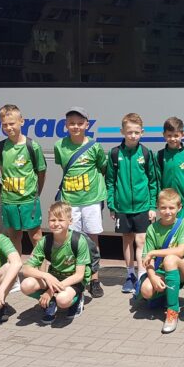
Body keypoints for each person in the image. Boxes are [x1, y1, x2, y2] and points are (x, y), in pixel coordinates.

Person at [53, 106, 107, 298]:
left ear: (87, 125)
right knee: (72, 242)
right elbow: (63, 166)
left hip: (91, 200)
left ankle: (94, 280)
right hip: (70, 202)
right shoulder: (59, 146)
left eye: (79, 123)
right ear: (66, 125)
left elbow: (102, 167)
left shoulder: (94, 147)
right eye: (71, 123)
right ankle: (76, 280)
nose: (75, 126)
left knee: (92, 241)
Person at [106, 113, 159, 295]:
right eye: (129, 132)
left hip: (143, 206)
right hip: (122, 207)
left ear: (142, 132)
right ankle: (130, 275)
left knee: (141, 240)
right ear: (122, 132)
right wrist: (112, 205)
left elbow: (153, 181)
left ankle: (142, 275)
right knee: (127, 239)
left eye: (136, 132)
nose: (133, 136)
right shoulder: (115, 154)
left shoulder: (146, 153)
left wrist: (152, 206)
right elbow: (110, 181)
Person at [20, 201, 92, 324]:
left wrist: (50, 291)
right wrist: (46, 275)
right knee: (26, 285)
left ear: (70, 221)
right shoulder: (44, 241)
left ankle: (77, 298)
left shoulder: (78, 241)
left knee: (62, 300)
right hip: (54, 277)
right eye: (52, 220)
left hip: (73, 280)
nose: (56, 223)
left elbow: (79, 275)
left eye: (61, 220)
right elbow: (26, 269)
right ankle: (51, 302)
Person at [138, 189, 184, 334]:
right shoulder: (152, 228)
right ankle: (169, 293)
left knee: (170, 259)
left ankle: (172, 311)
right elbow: (147, 260)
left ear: (179, 208)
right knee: (146, 290)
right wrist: (152, 277)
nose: (167, 212)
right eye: (163, 207)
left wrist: (153, 252)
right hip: (162, 269)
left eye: (171, 208)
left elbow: (180, 251)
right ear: (158, 207)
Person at [0, 104, 47, 254]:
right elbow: (3, 171)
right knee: (14, 237)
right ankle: (16, 268)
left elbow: (41, 173)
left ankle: (41, 268)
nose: (8, 127)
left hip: (28, 200)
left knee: (36, 237)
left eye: (12, 123)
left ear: (21, 122)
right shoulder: (0, 147)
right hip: (9, 201)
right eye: (5, 125)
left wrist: (36, 193)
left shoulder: (32, 146)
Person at [157, 116, 184, 219]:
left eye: (176, 135)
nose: (172, 139)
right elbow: (157, 181)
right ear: (164, 135)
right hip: (167, 207)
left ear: (182, 135)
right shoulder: (160, 155)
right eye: (169, 135)